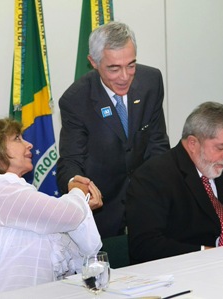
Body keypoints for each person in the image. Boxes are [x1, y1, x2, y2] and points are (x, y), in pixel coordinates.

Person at [0, 119, 102, 297]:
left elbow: (67, 230)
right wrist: (78, 193)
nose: (29, 145)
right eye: (17, 138)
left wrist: (82, 203)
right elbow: (69, 215)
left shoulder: (13, 192)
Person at [57, 21, 170, 238]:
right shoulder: (76, 100)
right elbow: (71, 160)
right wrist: (76, 185)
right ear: (93, 62)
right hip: (103, 212)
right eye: (114, 68)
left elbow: (157, 143)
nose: (125, 76)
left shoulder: (151, 81)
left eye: (131, 65)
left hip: (149, 203)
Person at [126, 102, 223, 264]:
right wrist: (206, 253)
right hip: (175, 275)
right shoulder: (153, 176)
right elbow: (145, 245)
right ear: (193, 143)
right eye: (221, 147)